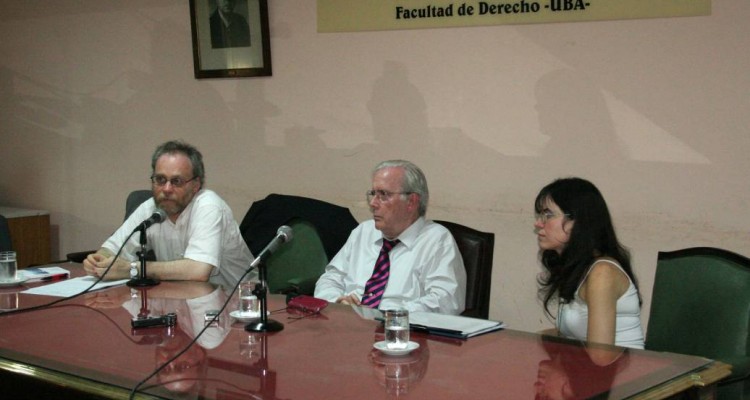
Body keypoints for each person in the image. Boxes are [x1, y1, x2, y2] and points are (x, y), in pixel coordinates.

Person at [83, 140, 254, 290]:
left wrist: (132, 269)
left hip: (238, 305)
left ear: (196, 185)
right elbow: (112, 249)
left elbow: (199, 271)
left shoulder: (209, 206)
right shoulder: (150, 208)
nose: (166, 189)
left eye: (176, 181)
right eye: (160, 179)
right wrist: (99, 261)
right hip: (182, 301)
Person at [314, 160, 466, 315]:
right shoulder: (364, 232)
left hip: (403, 332)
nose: (373, 203)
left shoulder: (436, 240)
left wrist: (385, 315)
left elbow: (446, 302)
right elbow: (330, 278)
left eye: (383, 195)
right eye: (373, 194)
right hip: (350, 326)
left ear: (411, 202)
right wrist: (337, 301)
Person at [534, 177, 644, 350]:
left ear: (577, 221)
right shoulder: (576, 267)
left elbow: (601, 356)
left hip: (626, 374)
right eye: (540, 215)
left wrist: (561, 371)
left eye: (548, 215)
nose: (539, 223)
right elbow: (573, 335)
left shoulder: (602, 273)